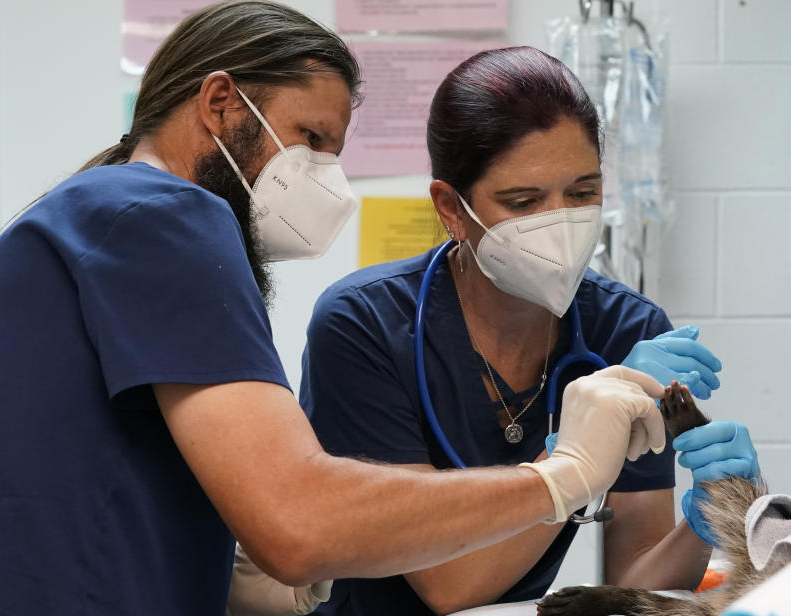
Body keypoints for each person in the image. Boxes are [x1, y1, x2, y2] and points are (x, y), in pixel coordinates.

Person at [0, 0, 674, 616]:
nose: (325, 179)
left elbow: (90, 475)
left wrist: (225, 568)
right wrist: (567, 472)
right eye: (311, 139)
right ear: (222, 102)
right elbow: (298, 523)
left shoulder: (101, 214)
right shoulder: (167, 214)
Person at [299, 47, 761, 616]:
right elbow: (448, 586)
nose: (560, 222)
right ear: (451, 207)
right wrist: (572, 463)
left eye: (583, 192)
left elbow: (634, 580)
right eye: (523, 202)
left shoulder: (625, 329)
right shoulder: (364, 325)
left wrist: (710, 515)